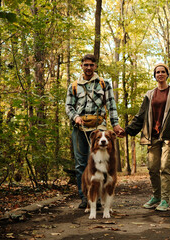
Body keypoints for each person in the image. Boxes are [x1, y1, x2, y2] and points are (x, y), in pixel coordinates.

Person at [123, 63, 170, 211]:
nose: (160, 74)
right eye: (157, 72)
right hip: (152, 136)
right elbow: (140, 116)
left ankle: (165, 200)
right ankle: (156, 197)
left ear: (167, 74)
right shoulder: (149, 95)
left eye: (163, 71)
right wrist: (127, 130)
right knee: (152, 168)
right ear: (155, 75)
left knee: (165, 167)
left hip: (169, 135)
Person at [65, 54, 124, 209]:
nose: (89, 68)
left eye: (91, 65)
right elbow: (68, 107)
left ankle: (98, 198)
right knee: (81, 165)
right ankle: (85, 197)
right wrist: (75, 117)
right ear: (82, 66)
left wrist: (115, 125)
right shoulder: (74, 85)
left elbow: (111, 105)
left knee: (101, 163)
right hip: (80, 129)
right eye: (86, 65)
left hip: (100, 130)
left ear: (95, 66)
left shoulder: (104, 84)